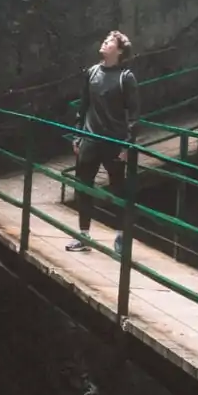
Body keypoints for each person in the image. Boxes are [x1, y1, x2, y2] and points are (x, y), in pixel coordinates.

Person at [68, 30, 140, 253]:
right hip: (90, 139)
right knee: (83, 187)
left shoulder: (125, 77)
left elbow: (135, 114)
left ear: (119, 51)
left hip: (114, 142)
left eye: (110, 42)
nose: (104, 43)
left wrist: (127, 144)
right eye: (106, 40)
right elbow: (83, 106)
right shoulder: (91, 72)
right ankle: (83, 236)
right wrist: (77, 136)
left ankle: (120, 237)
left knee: (118, 190)